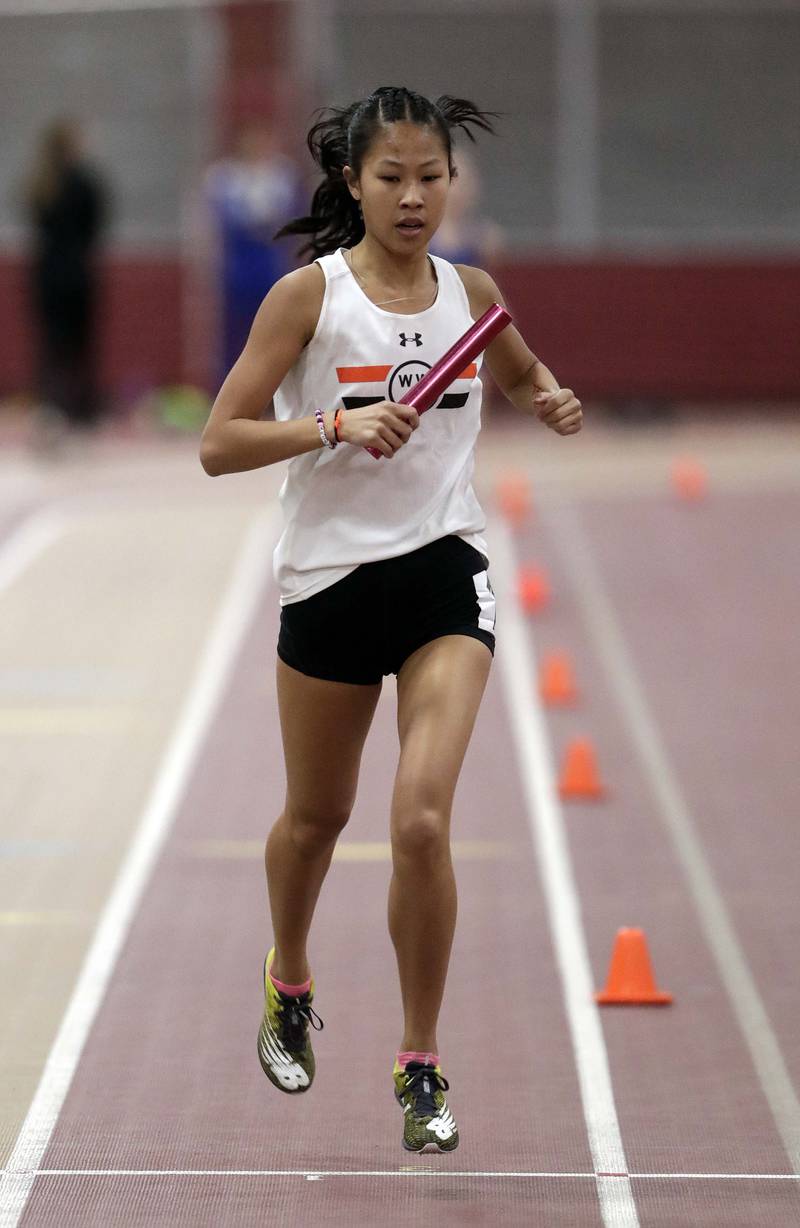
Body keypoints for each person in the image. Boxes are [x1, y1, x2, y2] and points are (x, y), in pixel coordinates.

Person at [199, 86, 582, 1154]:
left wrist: (546, 394)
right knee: (315, 821)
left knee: (418, 819)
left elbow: (514, 365)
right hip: (327, 581)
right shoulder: (306, 300)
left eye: (429, 178)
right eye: (391, 178)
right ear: (350, 184)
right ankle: (288, 975)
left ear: (450, 184)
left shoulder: (471, 290)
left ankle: (419, 1062)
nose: (413, 198)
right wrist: (330, 422)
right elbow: (219, 441)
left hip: (440, 576)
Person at [21, 118, 109, 440]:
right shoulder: (83, 182)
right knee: (79, 343)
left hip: (47, 272)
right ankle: (80, 410)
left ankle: (52, 406)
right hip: (76, 272)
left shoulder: (40, 184)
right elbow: (95, 227)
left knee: (52, 343)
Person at [204, 122, 302, 382]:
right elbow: (221, 220)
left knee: (273, 324)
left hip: (268, 260)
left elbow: (291, 218)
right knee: (234, 330)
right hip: (238, 262)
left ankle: (274, 385)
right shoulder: (224, 177)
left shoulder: (282, 174)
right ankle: (228, 384)